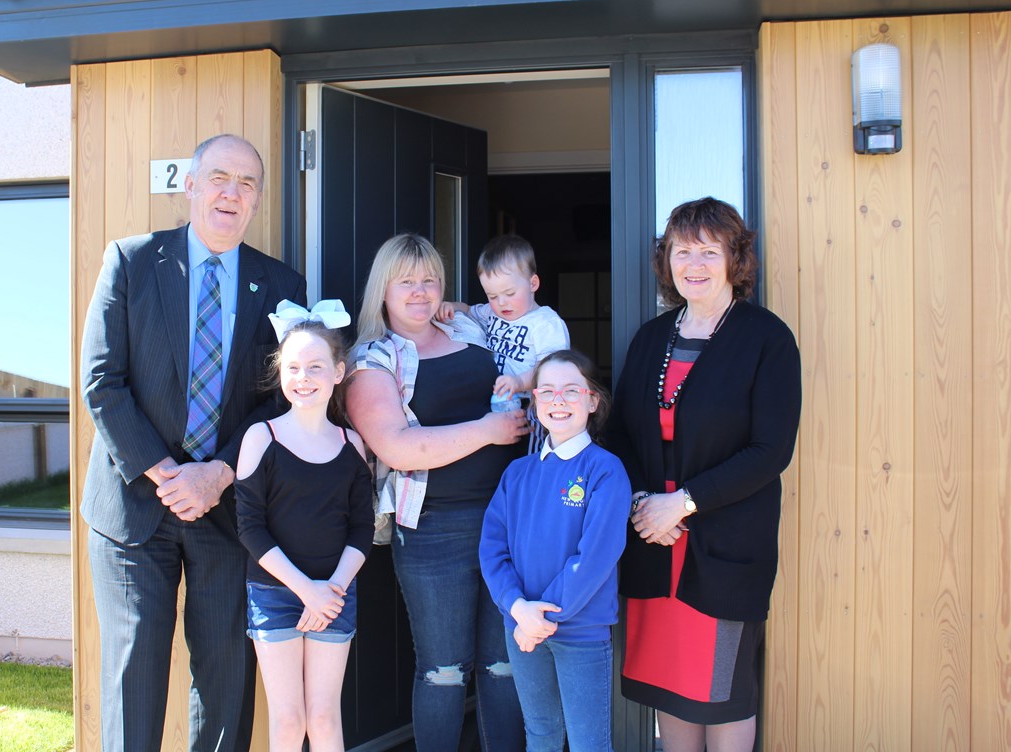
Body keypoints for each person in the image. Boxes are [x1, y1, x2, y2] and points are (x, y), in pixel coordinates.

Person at [80, 134, 307, 752]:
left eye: (247, 183)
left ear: (258, 199)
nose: (231, 193)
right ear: (191, 185)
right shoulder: (131, 261)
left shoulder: (281, 284)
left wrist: (217, 474)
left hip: (229, 511)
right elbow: (102, 382)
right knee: (137, 676)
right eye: (219, 178)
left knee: (225, 678)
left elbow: (282, 399)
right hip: (132, 509)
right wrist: (168, 474)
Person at [610, 197, 801, 752]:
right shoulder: (652, 338)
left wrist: (684, 503)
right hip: (652, 537)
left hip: (721, 543)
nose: (693, 263)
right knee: (671, 691)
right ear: (665, 259)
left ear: (734, 259)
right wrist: (644, 502)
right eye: (681, 250)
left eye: (709, 251)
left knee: (723, 694)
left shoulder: (766, 339)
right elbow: (620, 434)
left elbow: (770, 450)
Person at [343, 233, 527, 752]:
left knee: (505, 666)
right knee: (445, 672)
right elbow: (397, 447)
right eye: (407, 282)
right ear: (383, 289)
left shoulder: (467, 325)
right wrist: (489, 431)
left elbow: (515, 313)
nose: (421, 292)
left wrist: (461, 304)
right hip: (433, 533)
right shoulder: (371, 360)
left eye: (431, 280)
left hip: (508, 522)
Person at [234, 301, 374, 752]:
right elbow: (250, 527)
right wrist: (304, 589)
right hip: (276, 594)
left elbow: (361, 527)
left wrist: (330, 588)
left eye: (315, 366)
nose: (303, 377)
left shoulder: (352, 444)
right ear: (280, 374)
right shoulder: (263, 437)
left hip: (335, 593)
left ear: (338, 372)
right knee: (290, 722)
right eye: (293, 367)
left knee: (323, 718)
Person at [479, 349, 631, 752]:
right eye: (545, 392)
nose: (557, 401)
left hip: (579, 632)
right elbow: (493, 550)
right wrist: (518, 610)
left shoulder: (605, 470)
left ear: (592, 400)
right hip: (521, 625)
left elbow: (596, 555)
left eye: (570, 390)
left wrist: (543, 616)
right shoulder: (518, 472)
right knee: (541, 735)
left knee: (588, 743)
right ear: (534, 403)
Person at [437, 235, 570, 451]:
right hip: (495, 403)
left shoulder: (546, 323)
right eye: (492, 295)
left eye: (509, 293)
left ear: (533, 283)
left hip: (532, 408)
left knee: (529, 458)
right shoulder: (492, 313)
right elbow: (469, 309)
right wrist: (449, 306)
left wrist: (519, 382)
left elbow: (552, 368)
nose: (501, 303)